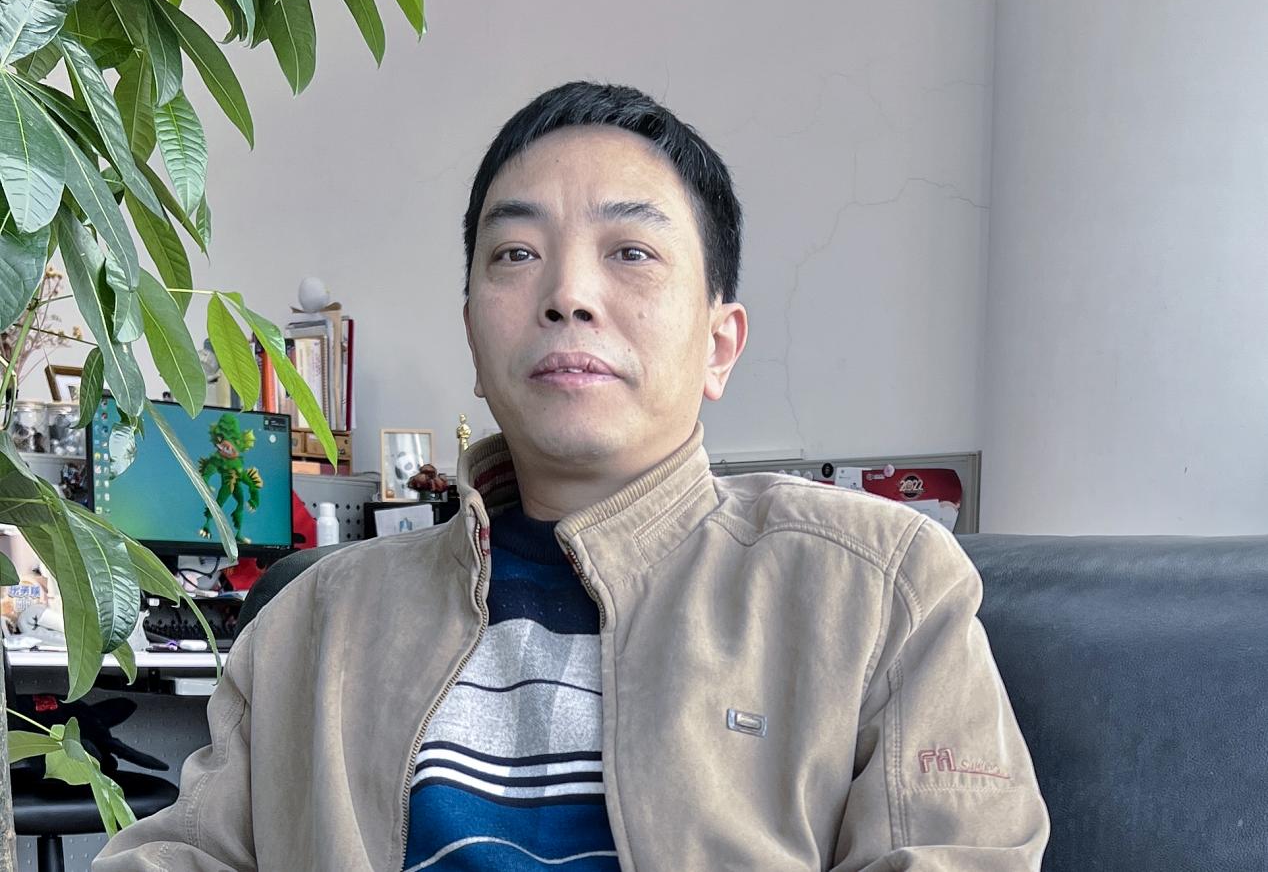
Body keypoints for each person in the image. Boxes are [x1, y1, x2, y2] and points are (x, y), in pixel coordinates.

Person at [95, 82, 1049, 870]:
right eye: (517, 254)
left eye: (630, 252)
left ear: (719, 345)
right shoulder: (311, 624)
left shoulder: (880, 590)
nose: (568, 294)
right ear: (474, 335)